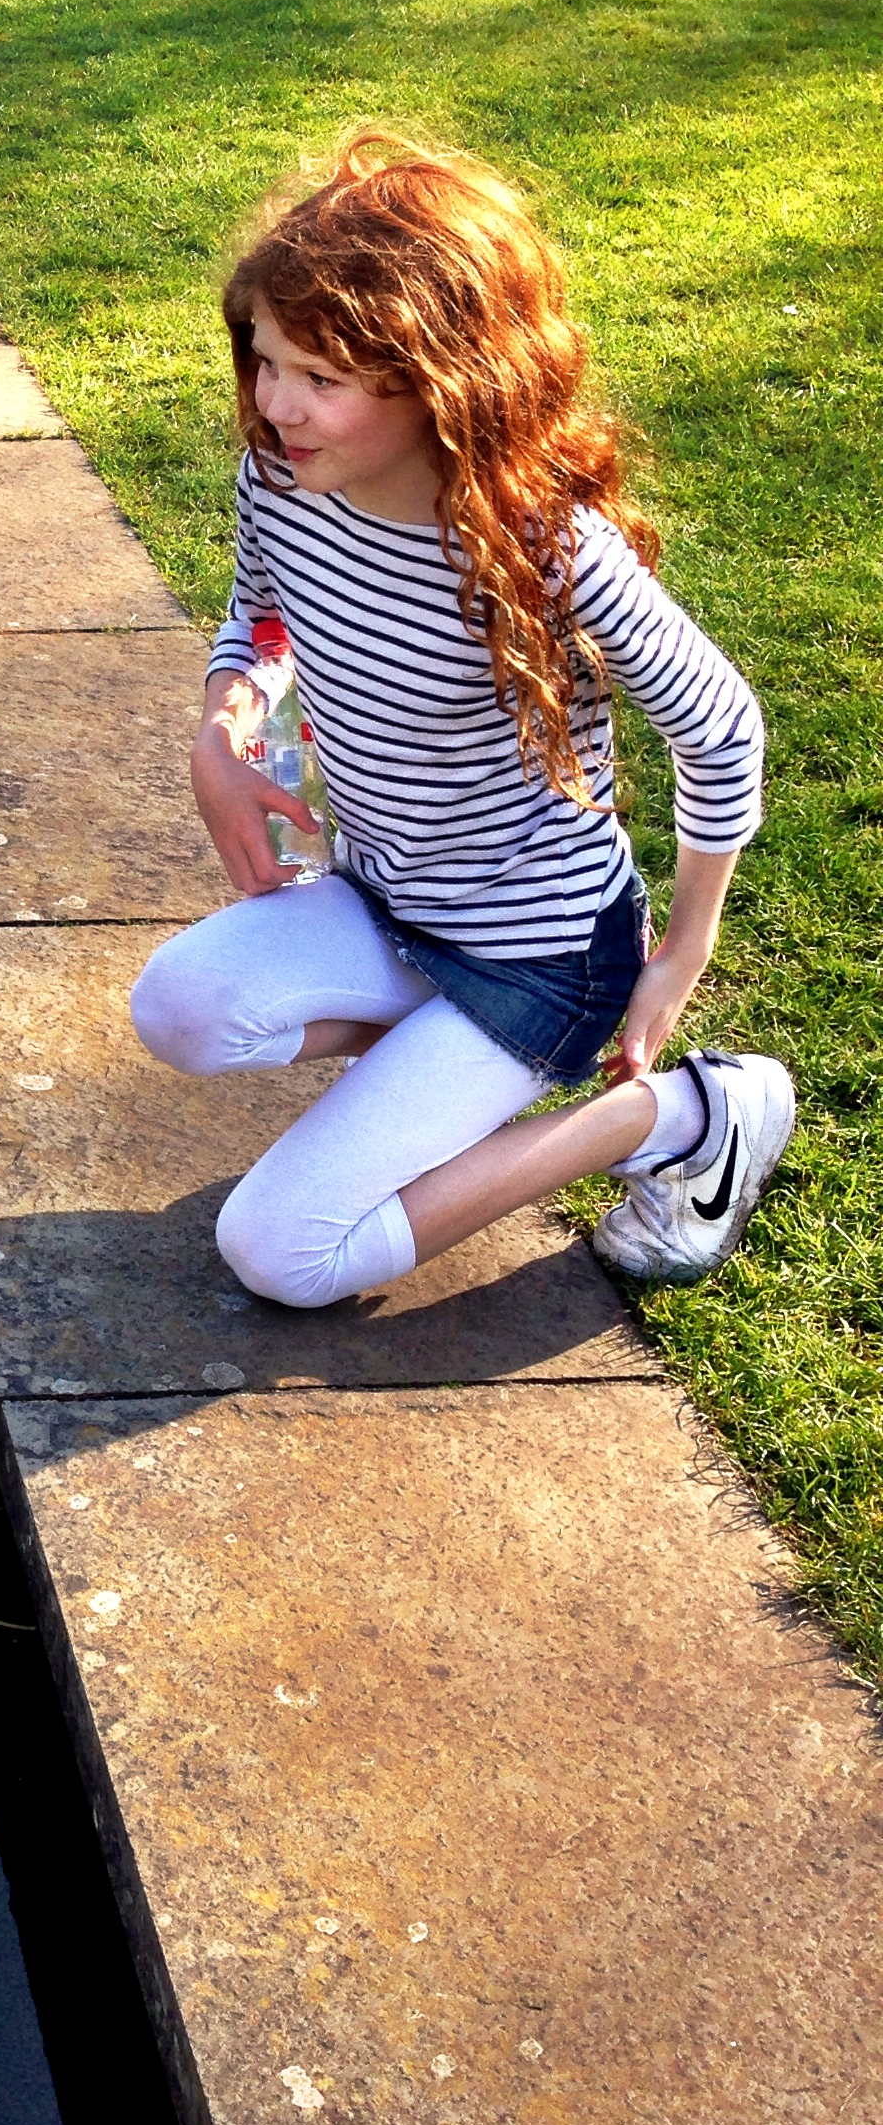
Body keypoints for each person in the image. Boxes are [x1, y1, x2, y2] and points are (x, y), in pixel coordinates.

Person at [129, 129, 793, 1309]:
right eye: (267, 361)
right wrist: (225, 730)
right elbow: (261, 619)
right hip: (387, 903)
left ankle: (689, 1115)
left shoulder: (546, 551)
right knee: (177, 1011)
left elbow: (722, 727)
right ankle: (445, 1066)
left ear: (441, 382)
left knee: (282, 1256)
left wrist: (682, 952)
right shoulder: (283, 479)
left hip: (543, 957)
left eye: (321, 378)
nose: (277, 404)